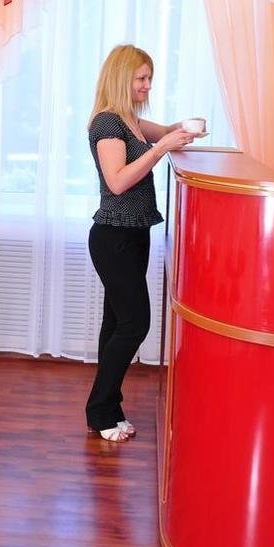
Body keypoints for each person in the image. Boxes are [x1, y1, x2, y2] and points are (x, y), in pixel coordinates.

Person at [85, 44, 196, 443]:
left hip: (134, 233)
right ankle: (100, 410)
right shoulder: (107, 123)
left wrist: (180, 130)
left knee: (117, 323)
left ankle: (108, 409)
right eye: (141, 79)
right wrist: (161, 149)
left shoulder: (130, 120)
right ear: (121, 79)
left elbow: (164, 132)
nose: (148, 86)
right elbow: (117, 182)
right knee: (135, 323)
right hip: (113, 236)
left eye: (150, 78)